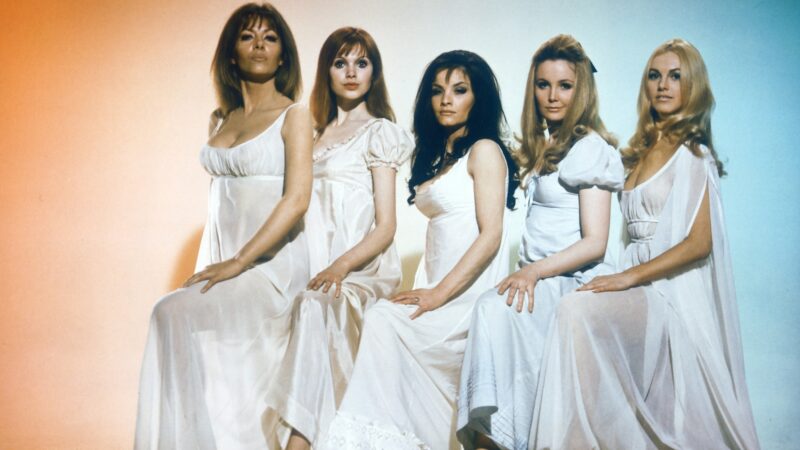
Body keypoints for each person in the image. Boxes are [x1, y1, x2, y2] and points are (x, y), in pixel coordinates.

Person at [529, 39, 761, 449]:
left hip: (671, 292)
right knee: (581, 323)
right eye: (654, 76)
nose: (663, 85)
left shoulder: (694, 154)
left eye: (675, 76)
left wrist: (629, 277)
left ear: (693, 86)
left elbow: (700, 243)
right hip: (635, 286)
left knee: (575, 310)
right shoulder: (637, 154)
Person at [134, 3, 313, 449]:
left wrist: (239, 262)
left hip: (270, 271)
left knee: (169, 312)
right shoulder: (220, 118)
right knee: (221, 375)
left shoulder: (294, 115)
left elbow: (297, 201)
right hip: (223, 261)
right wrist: (221, 262)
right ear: (232, 52)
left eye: (270, 38)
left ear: (284, 56)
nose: (259, 45)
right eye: (247, 36)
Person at [320, 50, 519, 449]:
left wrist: (437, 295)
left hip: (466, 299)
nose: (446, 100)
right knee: (382, 322)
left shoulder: (484, 149)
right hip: (437, 288)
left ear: (478, 97)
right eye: (437, 90)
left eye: (459, 90)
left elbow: (491, 236)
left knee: (381, 319)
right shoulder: (441, 155)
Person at [457, 34, 624, 450]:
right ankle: (494, 439)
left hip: (572, 284)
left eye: (565, 86)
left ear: (582, 90)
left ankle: (496, 439)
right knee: (492, 319)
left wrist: (533, 271)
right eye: (543, 84)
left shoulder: (590, 149)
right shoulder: (544, 146)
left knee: (491, 309)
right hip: (539, 279)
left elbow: (596, 243)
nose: (552, 96)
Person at [263, 27, 413, 450]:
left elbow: (386, 226)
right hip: (310, 263)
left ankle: (298, 442)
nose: (351, 72)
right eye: (340, 62)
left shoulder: (380, 132)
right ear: (326, 71)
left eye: (361, 63)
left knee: (315, 306)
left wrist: (340, 268)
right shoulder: (310, 135)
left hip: (358, 271)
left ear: (373, 73)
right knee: (274, 310)